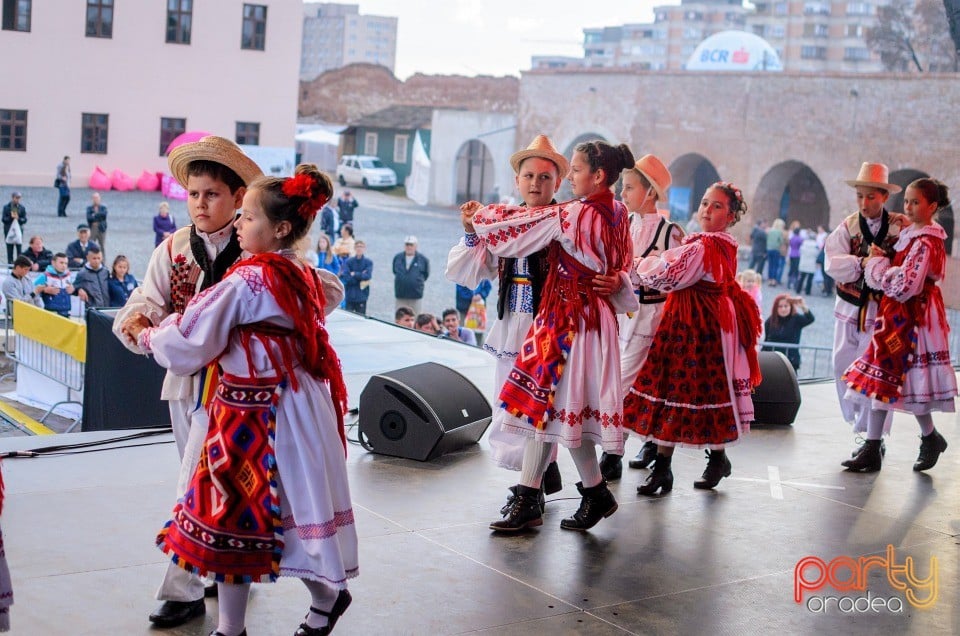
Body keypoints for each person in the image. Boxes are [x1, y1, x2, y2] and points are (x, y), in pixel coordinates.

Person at [122, 164, 357, 636]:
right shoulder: (300, 272)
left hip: (252, 416)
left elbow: (191, 339)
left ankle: (236, 628)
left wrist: (150, 336)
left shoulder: (247, 281)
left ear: (280, 228)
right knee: (285, 516)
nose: (239, 225)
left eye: (247, 217)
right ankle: (322, 600)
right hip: (292, 408)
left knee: (233, 516)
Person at [112, 135, 263, 629]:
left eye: (212, 194)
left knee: (199, 485)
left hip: (242, 386)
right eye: (194, 194)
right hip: (187, 383)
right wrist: (139, 324)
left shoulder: (256, 243)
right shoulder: (174, 247)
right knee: (204, 479)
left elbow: (309, 288)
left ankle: (183, 589)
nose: (200, 203)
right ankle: (227, 567)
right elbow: (145, 302)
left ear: (239, 197)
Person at [465, 139, 639, 533]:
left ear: (597, 176)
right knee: (556, 409)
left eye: (576, 170)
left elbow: (518, 229)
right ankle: (562, 494)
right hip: (594, 318)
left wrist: (482, 217)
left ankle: (573, 494)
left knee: (553, 406)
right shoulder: (619, 212)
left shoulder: (574, 214)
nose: (571, 178)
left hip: (569, 318)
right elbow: (628, 268)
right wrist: (618, 281)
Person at [445, 134, 575, 505]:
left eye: (545, 178)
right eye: (529, 176)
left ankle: (529, 487)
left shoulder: (561, 222)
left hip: (546, 325)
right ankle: (536, 473)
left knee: (538, 405)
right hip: (510, 321)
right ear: (517, 181)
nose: (536, 184)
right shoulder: (502, 223)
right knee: (510, 400)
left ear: (557, 184)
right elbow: (473, 267)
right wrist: (472, 230)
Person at [624, 181, 762, 496]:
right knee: (690, 394)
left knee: (682, 393)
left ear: (730, 216)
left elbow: (667, 274)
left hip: (695, 327)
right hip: (693, 322)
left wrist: (638, 265)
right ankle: (699, 462)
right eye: (704, 203)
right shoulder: (711, 243)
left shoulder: (705, 246)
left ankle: (673, 468)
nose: (706, 211)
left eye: (717, 206)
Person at [841, 178, 957, 473]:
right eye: (906, 201)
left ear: (932, 206)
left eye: (915, 202)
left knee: (900, 378)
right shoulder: (912, 235)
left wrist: (878, 266)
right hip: (896, 316)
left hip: (914, 320)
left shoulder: (927, 241)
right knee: (885, 378)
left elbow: (907, 285)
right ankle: (876, 444)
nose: (909, 207)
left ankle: (923, 438)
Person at [601, 154, 684, 480]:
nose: (622, 193)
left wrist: (637, 270)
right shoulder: (625, 223)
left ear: (650, 192)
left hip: (653, 318)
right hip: (624, 314)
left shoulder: (669, 233)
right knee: (623, 383)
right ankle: (640, 442)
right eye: (623, 186)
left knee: (629, 384)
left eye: (630, 187)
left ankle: (614, 451)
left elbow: (673, 276)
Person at [824, 162, 905, 450]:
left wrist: (887, 265)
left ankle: (874, 435)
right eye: (860, 196)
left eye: (871, 197)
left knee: (877, 371)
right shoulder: (848, 225)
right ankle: (858, 421)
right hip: (849, 307)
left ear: (884, 197)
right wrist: (861, 263)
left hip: (882, 312)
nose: (864, 203)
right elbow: (832, 261)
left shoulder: (899, 226)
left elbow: (908, 260)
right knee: (841, 365)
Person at [762, 294, 814, 372]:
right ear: (776, 308)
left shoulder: (796, 318)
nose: (783, 309)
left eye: (786, 306)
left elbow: (810, 319)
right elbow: (766, 341)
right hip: (772, 361)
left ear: (790, 307)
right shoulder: (770, 321)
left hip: (791, 361)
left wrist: (803, 306)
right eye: (780, 306)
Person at [393, 235, 429, 313]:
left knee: (416, 318)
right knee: (400, 317)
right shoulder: (397, 258)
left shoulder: (423, 260)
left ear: (416, 246)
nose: (409, 247)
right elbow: (394, 271)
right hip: (401, 295)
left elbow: (426, 274)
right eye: (407, 245)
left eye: (411, 245)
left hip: (415, 295)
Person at [33, 253, 74, 317]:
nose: (64, 266)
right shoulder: (45, 276)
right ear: (53, 263)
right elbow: (32, 288)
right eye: (61, 263)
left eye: (66, 263)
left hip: (66, 311)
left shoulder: (68, 276)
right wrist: (44, 290)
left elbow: (73, 288)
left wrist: (73, 289)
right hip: (51, 312)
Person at [339, 239, 372, 315]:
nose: (359, 248)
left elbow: (367, 276)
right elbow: (347, 277)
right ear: (354, 248)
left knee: (360, 319)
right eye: (357, 246)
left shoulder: (368, 262)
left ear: (364, 248)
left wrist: (355, 274)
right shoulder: (349, 262)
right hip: (350, 294)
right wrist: (361, 275)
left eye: (361, 246)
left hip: (362, 296)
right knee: (348, 318)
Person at [2, 192, 26, 264]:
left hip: (18, 229)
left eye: (19, 198)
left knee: (19, 248)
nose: (18, 200)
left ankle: (19, 264)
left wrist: (19, 219)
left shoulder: (22, 208)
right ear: (12, 198)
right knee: (9, 248)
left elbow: (24, 219)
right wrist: (10, 217)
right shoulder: (6, 207)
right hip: (9, 229)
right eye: (16, 198)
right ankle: (10, 264)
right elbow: (3, 219)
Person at [795, 230, 819, 295]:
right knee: (809, 279)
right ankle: (807, 291)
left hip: (804, 262)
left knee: (802, 278)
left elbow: (800, 251)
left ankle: (798, 290)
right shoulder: (816, 245)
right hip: (811, 263)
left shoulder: (804, 243)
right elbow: (816, 254)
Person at [765, 218, 786, 285]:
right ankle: (773, 280)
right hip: (776, 250)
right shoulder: (779, 232)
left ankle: (769, 279)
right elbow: (781, 241)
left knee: (770, 265)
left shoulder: (770, 231)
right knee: (775, 265)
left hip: (769, 249)